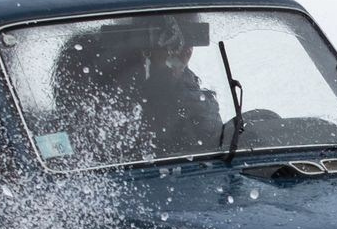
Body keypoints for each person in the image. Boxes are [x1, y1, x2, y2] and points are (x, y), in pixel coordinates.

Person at [49, 16, 222, 162]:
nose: (185, 51)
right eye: (172, 40)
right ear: (144, 45)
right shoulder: (108, 88)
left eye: (191, 37)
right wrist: (160, 76)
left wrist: (164, 75)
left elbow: (210, 146)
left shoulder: (189, 94)